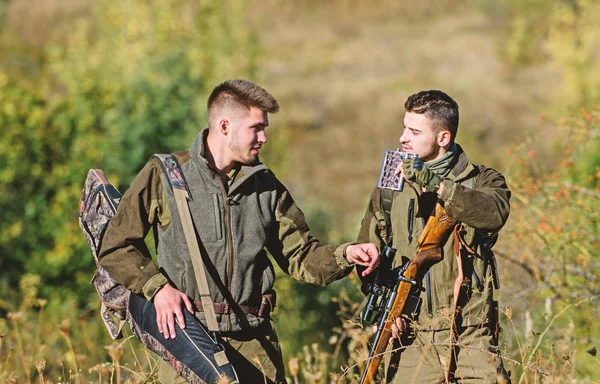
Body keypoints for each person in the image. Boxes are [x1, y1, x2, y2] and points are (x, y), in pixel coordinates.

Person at [98, 79, 380, 383]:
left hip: (255, 343)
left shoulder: (265, 185)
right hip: (192, 341)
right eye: (256, 128)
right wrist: (158, 288)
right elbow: (115, 247)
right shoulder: (165, 174)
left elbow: (302, 256)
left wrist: (346, 254)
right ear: (224, 126)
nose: (264, 138)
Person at [357, 90, 511, 383]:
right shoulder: (391, 185)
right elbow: (370, 253)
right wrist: (386, 307)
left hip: (471, 333)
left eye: (414, 131)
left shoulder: (482, 180)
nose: (403, 138)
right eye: (404, 127)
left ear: (443, 138)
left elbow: (494, 214)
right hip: (412, 336)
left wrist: (438, 186)